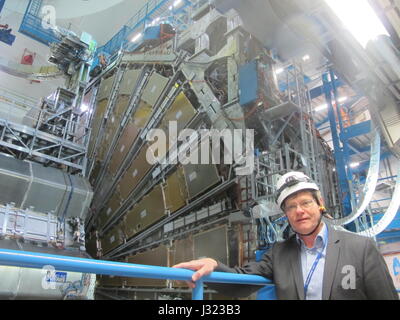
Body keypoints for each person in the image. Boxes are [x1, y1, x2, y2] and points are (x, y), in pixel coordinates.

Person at [173, 171, 399, 300]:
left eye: (306, 202)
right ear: (286, 215)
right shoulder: (279, 254)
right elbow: (239, 283)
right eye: (291, 206)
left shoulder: (361, 248)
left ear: (320, 204)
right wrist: (213, 265)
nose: (299, 211)